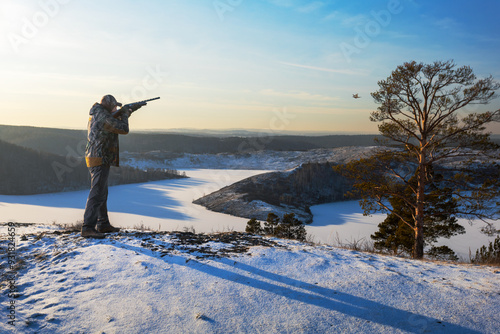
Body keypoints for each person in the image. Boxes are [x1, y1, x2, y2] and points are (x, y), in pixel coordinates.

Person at [81, 94, 143, 238]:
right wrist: (126, 113)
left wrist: (127, 111)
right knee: (97, 192)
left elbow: (113, 121)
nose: (116, 108)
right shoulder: (102, 116)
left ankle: (103, 224)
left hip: (98, 156)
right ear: (108, 106)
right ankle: (88, 227)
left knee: (101, 191)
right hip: (99, 157)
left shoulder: (99, 113)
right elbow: (123, 129)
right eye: (115, 106)